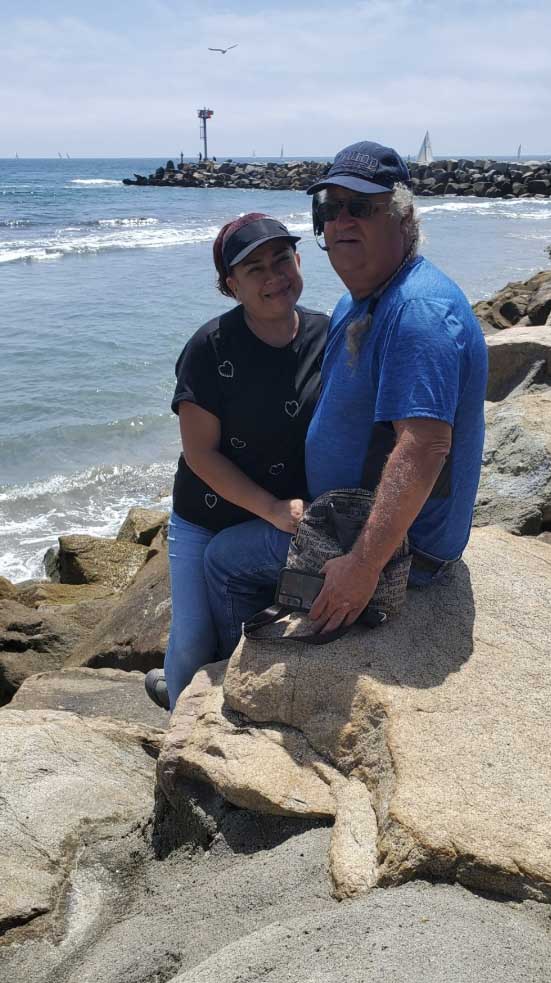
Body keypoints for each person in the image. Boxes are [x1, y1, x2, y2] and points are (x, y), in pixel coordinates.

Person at [202, 140, 488, 649]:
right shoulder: (357, 301)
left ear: (402, 218)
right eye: (329, 209)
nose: (341, 223)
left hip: (403, 549)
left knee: (224, 560)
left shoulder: (417, 311)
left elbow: (424, 448)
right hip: (346, 514)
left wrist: (362, 565)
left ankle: (227, 677)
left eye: (361, 208)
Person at [145, 213, 328, 709]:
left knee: (286, 623)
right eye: (255, 270)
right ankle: (179, 718)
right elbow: (199, 454)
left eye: (282, 259)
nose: (274, 277)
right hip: (208, 515)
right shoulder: (210, 348)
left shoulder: (325, 335)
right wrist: (269, 507)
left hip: (283, 514)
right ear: (232, 286)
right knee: (192, 635)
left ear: (298, 260)